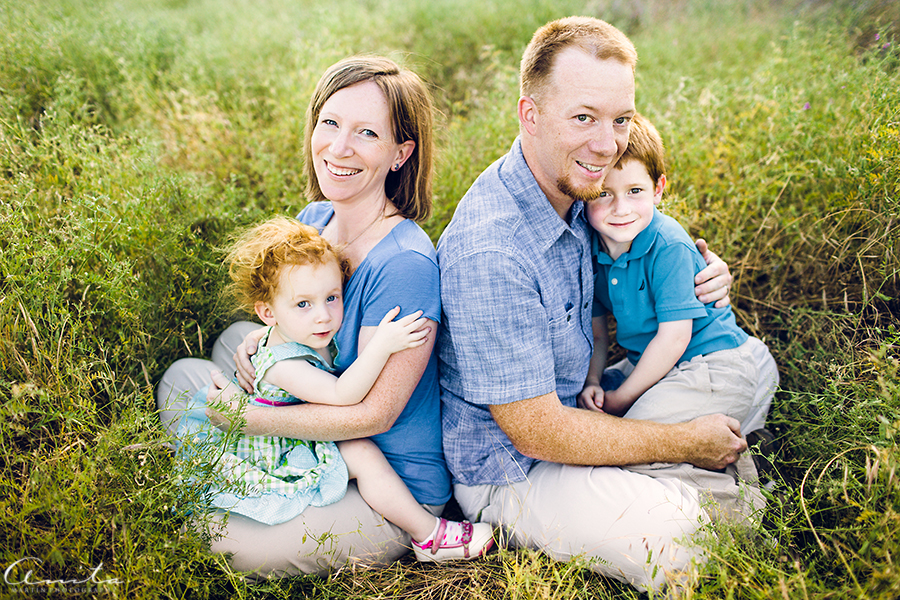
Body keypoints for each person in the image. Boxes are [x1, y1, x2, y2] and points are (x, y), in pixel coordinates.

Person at [437, 16, 778, 593]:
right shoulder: (491, 250)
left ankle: (700, 473)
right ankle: (698, 474)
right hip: (512, 469)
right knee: (692, 541)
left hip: (580, 408)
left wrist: (702, 272)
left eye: (621, 119)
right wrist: (683, 440)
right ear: (530, 114)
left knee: (750, 384)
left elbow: (646, 241)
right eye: (584, 118)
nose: (607, 144)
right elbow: (537, 433)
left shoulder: (576, 189)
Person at [157, 55, 464, 575]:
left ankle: (252, 471)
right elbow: (294, 317)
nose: (339, 148)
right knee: (192, 371)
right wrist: (265, 335)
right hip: (312, 444)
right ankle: (255, 467)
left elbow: (373, 415)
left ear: (400, 153)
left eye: (367, 133)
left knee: (218, 541)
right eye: (330, 123)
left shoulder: (405, 266)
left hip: (383, 480)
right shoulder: (317, 218)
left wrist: (249, 419)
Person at [172, 216, 492, 561]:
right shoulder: (286, 366)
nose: (323, 316)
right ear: (267, 313)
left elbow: (363, 407)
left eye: (332, 298)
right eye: (304, 305)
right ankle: (428, 535)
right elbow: (343, 394)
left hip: (304, 431)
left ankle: (425, 531)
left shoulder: (401, 266)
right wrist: (381, 345)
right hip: (279, 445)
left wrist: (263, 334)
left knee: (361, 454)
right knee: (362, 455)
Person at [578, 113, 776, 519]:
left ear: (659, 188)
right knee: (587, 424)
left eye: (635, 190)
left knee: (633, 443)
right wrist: (596, 381)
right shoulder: (592, 252)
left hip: (711, 366)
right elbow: (598, 337)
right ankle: (737, 445)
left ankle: (746, 502)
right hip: (655, 366)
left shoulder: (667, 244)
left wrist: (622, 398)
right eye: (604, 194)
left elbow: (674, 338)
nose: (620, 208)